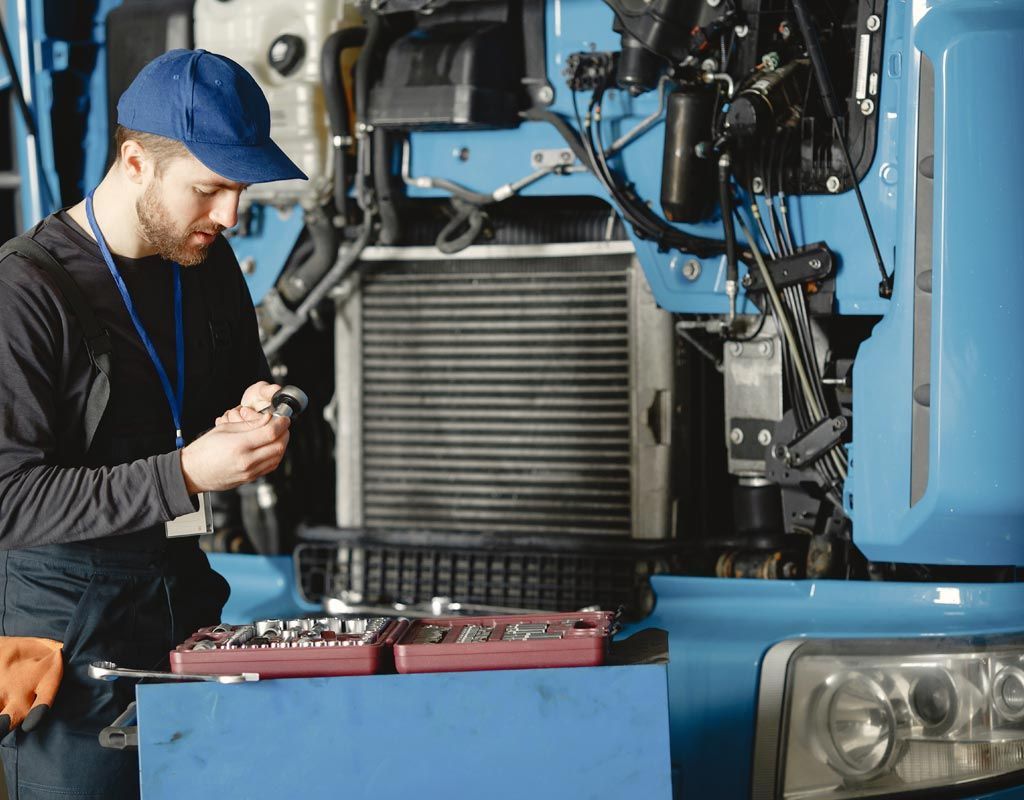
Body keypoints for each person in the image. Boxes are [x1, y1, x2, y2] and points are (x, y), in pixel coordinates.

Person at [0, 49, 306, 799]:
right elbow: (9, 499)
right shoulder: (25, 293)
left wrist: (269, 412)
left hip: (185, 610)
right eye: (210, 189)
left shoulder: (208, 265)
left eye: (240, 189)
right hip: (65, 647)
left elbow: (248, 389)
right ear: (136, 162)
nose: (231, 215)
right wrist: (188, 474)